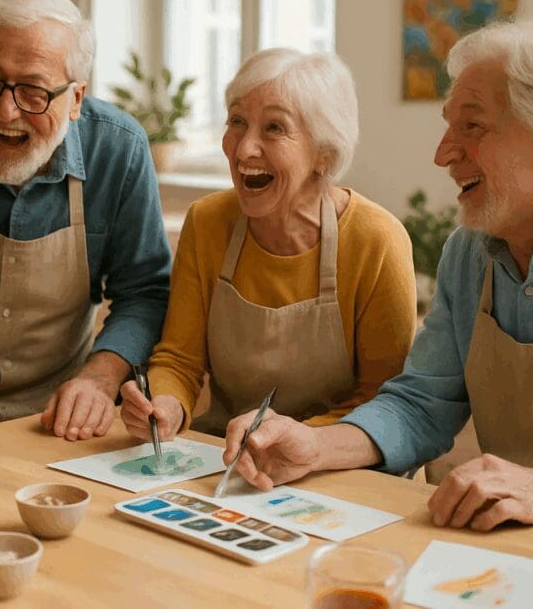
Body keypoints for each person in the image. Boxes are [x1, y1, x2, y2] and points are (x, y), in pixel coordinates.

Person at [223, 19, 533, 531]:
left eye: (472, 127)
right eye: (448, 126)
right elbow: (421, 405)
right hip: (512, 542)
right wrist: (313, 445)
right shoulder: (468, 255)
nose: (443, 153)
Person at [118, 49, 417, 441]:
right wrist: (165, 406)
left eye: (274, 128)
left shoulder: (376, 240)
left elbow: (385, 399)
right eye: (237, 121)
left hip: (343, 462)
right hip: (229, 455)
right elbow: (179, 358)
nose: (243, 150)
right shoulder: (207, 222)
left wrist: (297, 440)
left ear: (324, 154)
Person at [0, 0, 171, 439]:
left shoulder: (118, 150)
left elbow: (145, 292)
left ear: (75, 99)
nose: (5, 111)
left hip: (55, 417)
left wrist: (99, 377)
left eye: (33, 92)